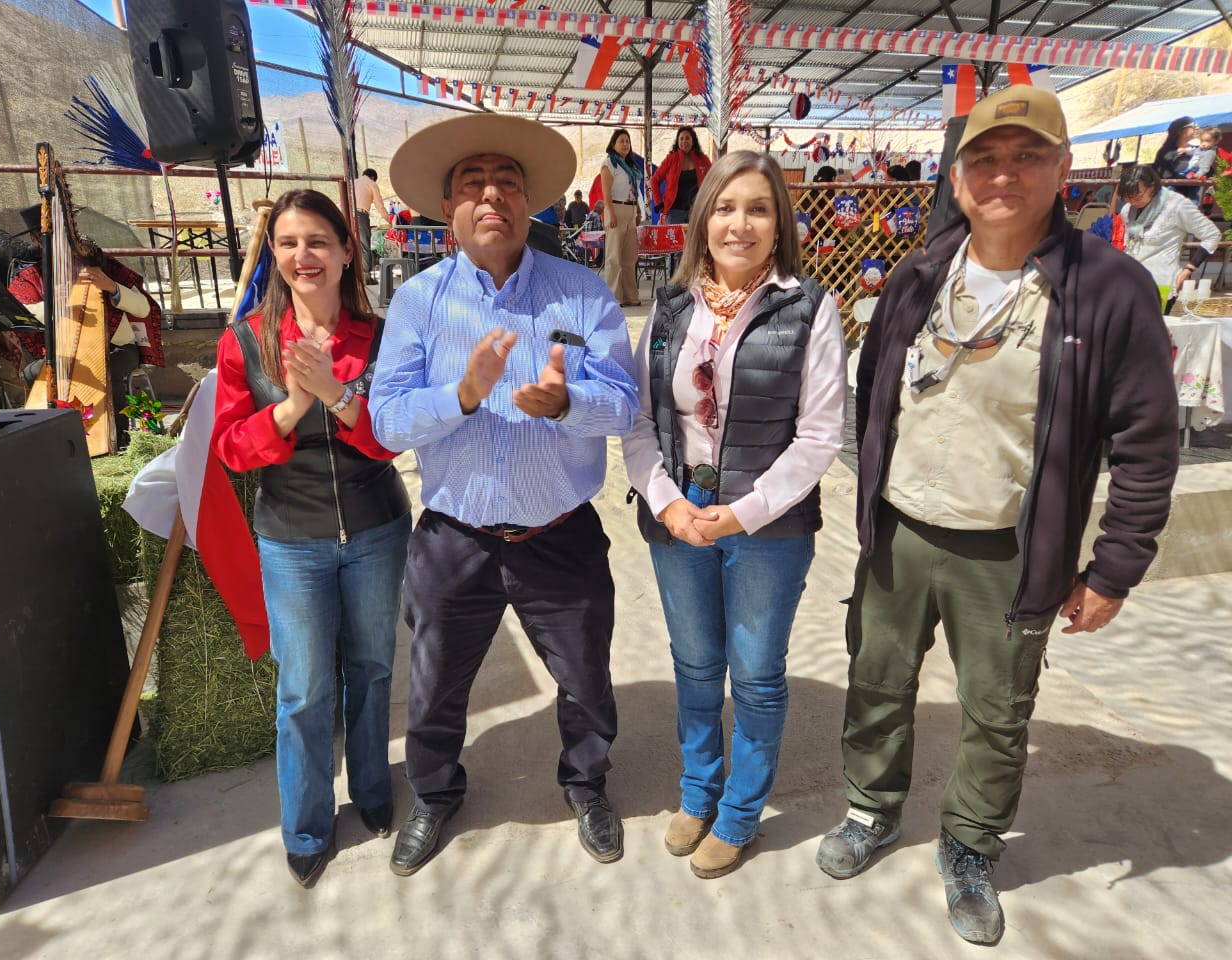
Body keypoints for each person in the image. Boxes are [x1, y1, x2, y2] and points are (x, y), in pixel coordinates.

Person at [815, 87, 1179, 945]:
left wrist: (1115, 568)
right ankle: (872, 808)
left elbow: (1147, 441)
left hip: (1010, 549)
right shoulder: (920, 274)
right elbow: (876, 392)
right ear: (957, 176)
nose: (1003, 175)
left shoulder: (1107, 288)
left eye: (1026, 157)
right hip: (901, 530)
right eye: (984, 159)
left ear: (1062, 169)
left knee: (996, 710)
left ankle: (971, 844)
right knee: (876, 680)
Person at [372, 113, 639, 877]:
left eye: (508, 182)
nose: (492, 195)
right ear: (447, 207)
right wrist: (459, 395)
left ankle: (585, 783)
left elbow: (625, 405)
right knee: (434, 685)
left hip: (559, 531)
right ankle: (434, 792)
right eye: (473, 183)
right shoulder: (419, 302)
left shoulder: (580, 293)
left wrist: (567, 402)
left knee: (585, 677)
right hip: (453, 536)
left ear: (528, 202)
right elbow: (387, 420)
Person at [622, 150, 846, 879]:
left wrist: (744, 513)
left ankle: (741, 812)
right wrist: (666, 502)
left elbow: (819, 437)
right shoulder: (669, 307)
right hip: (678, 520)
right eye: (724, 207)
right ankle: (698, 792)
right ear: (703, 220)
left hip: (767, 529)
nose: (739, 224)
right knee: (694, 667)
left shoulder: (809, 308)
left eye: (757, 208)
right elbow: (638, 421)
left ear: (779, 223)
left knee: (753, 675)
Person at [211, 189, 412, 887]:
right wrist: (293, 407)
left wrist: (337, 393)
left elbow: (392, 437)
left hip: (377, 527)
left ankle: (374, 788)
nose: (305, 255)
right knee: (303, 688)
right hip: (291, 537)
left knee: (373, 667)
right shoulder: (245, 343)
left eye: (319, 241)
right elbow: (231, 449)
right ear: (273, 253)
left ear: (348, 251)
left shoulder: (379, 336)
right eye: (290, 242)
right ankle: (306, 824)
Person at [8, 204, 165, 444]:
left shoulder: (103, 265)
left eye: (63, 232)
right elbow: (20, 312)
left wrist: (112, 287)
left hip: (118, 346)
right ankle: (59, 439)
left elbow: (143, 308)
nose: (58, 239)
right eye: (47, 235)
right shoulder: (32, 276)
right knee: (33, 373)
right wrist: (53, 305)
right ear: (36, 239)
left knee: (107, 369)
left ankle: (118, 441)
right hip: (63, 352)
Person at [1117, 164, 1222, 305]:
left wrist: (1189, 269)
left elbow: (1212, 234)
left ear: (1152, 187)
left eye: (1138, 196)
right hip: (1129, 283)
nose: (1132, 202)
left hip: (1160, 284)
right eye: (1128, 198)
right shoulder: (1128, 210)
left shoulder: (1176, 205)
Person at [601, 127, 645, 307]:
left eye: (627, 141)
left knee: (629, 257)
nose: (625, 144)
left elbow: (634, 192)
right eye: (621, 141)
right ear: (613, 144)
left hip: (630, 210)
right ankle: (613, 297)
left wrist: (638, 211)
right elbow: (606, 192)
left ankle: (630, 296)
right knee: (614, 256)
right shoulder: (609, 163)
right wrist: (610, 212)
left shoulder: (632, 167)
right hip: (615, 209)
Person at [651, 126, 712, 225]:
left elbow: (713, 180)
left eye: (687, 138)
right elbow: (654, 180)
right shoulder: (670, 159)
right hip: (674, 212)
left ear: (693, 141)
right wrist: (659, 203)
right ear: (678, 141)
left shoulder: (703, 160)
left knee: (696, 236)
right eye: (681, 139)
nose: (684, 141)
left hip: (697, 211)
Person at [354, 168, 382, 275]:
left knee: (352, 244)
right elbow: (379, 205)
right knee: (364, 245)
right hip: (361, 215)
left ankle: (354, 274)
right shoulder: (371, 183)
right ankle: (366, 276)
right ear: (373, 178)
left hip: (347, 214)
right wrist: (389, 221)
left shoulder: (354, 182)